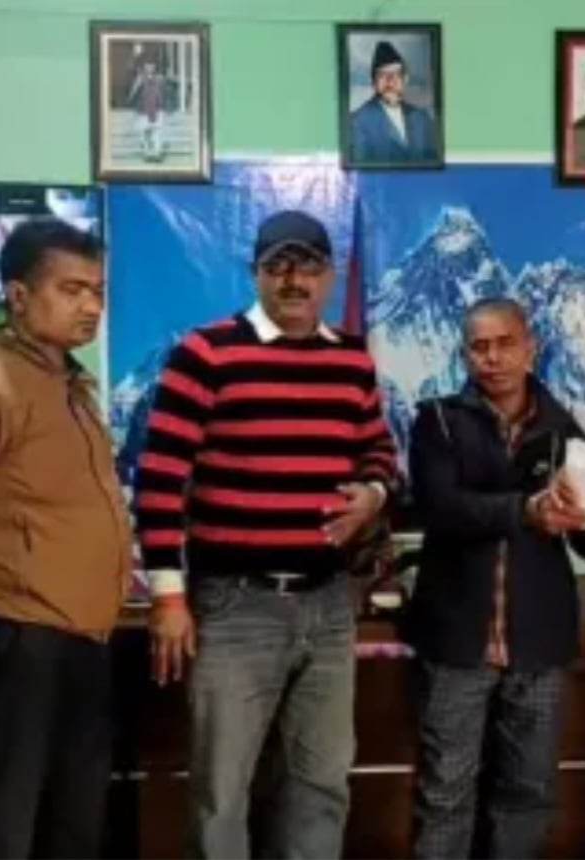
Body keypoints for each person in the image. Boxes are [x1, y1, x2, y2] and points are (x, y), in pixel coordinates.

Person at [135, 209, 398, 859]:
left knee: (321, 785)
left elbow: (378, 452)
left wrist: (373, 493)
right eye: (277, 265)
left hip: (328, 604)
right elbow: (160, 480)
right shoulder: (205, 354)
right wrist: (168, 596)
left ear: (329, 275)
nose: (293, 280)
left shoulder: (352, 360)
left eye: (308, 266)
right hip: (234, 605)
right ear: (255, 273)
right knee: (222, 793)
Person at [0, 218, 132, 858]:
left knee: (73, 825)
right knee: (2, 828)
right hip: (13, 639)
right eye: (71, 289)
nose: (90, 306)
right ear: (17, 295)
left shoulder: (70, 386)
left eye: (97, 291)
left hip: (82, 637)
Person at [407, 297, 585, 859]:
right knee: (445, 793)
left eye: (505, 344)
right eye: (479, 347)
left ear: (531, 349)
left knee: (528, 793)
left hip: (539, 642)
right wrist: (524, 511)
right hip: (456, 641)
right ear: (464, 355)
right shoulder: (437, 421)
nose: (493, 358)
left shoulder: (562, 429)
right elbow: (441, 508)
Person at [348, 40, 439, 166]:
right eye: (382, 75)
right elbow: (360, 170)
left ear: (405, 79)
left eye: (396, 74)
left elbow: (434, 162)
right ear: (374, 82)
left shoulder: (422, 118)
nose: (390, 81)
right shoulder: (358, 121)